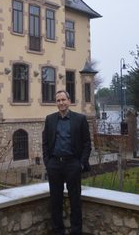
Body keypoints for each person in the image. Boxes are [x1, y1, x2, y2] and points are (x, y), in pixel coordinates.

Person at [42, 90, 91, 235]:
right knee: (55, 201)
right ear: (56, 103)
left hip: (72, 165)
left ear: (69, 101)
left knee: (75, 201)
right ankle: (58, 231)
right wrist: (47, 163)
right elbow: (45, 143)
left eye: (63, 99)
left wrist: (81, 164)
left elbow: (87, 143)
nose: (61, 103)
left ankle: (76, 231)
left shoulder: (80, 119)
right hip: (55, 165)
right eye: (58, 100)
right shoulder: (49, 119)